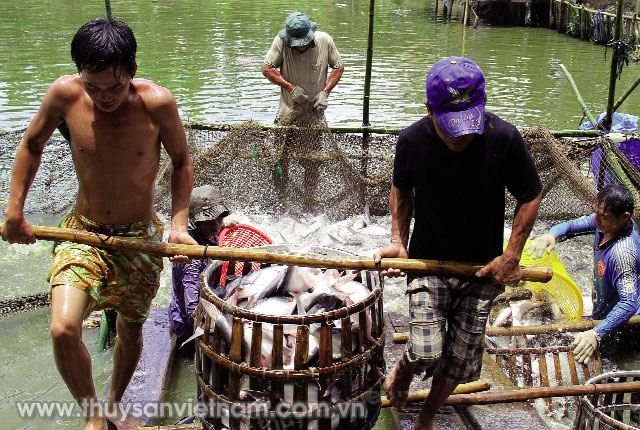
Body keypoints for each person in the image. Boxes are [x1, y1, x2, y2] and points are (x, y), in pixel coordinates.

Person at [1, 19, 196, 430]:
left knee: (131, 327)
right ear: (80, 74)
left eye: (114, 87)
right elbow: (31, 145)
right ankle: (93, 413)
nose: (104, 97)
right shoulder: (64, 94)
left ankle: (113, 404)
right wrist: (14, 212)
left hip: (139, 239)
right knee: (62, 329)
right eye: (94, 87)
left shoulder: (157, 103)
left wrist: (178, 225)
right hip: (83, 232)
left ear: (132, 69)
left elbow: (181, 162)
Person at [374, 56, 542, 430]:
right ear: (429, 110)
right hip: (429, 260)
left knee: (461, 361)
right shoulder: (412, 140)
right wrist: (398, 240)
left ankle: (427, 417)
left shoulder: (504, 138)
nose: (460, 136)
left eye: (467, 125)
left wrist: (510, 255)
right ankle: (404, 368)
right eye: (450, 127)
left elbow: (530, 194)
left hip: (482, 267)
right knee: (425, 348)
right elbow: (402, 189)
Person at [528, 184, 640, 364]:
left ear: (625, 217)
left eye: (603, 217)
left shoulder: (623, 253)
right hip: (602, 316)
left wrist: (596, 333)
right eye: (595, 213)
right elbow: (571, 226)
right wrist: (551, 236)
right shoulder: (606, 224)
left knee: (608, 365)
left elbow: (629, 303)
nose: (595, 220)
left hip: (624, 326)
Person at [169, 185, 230, 347]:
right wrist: (205, 322)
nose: (216, 225)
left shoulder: (214, 231)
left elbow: (220, 226)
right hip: (187, 324)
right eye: (209, 220)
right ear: (196, 221)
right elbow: (191, 303)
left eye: (219, 218)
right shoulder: (192, 253)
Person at [262, 11, 344, 121]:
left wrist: (325, 92)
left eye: (304, 42)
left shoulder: (324, 40)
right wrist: (291, 88)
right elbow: (267, 69)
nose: (301, 46)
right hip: (287, 112)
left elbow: (338, 67)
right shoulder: (281, 42)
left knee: (315, 136)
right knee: (282, 136)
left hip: (314, 115)